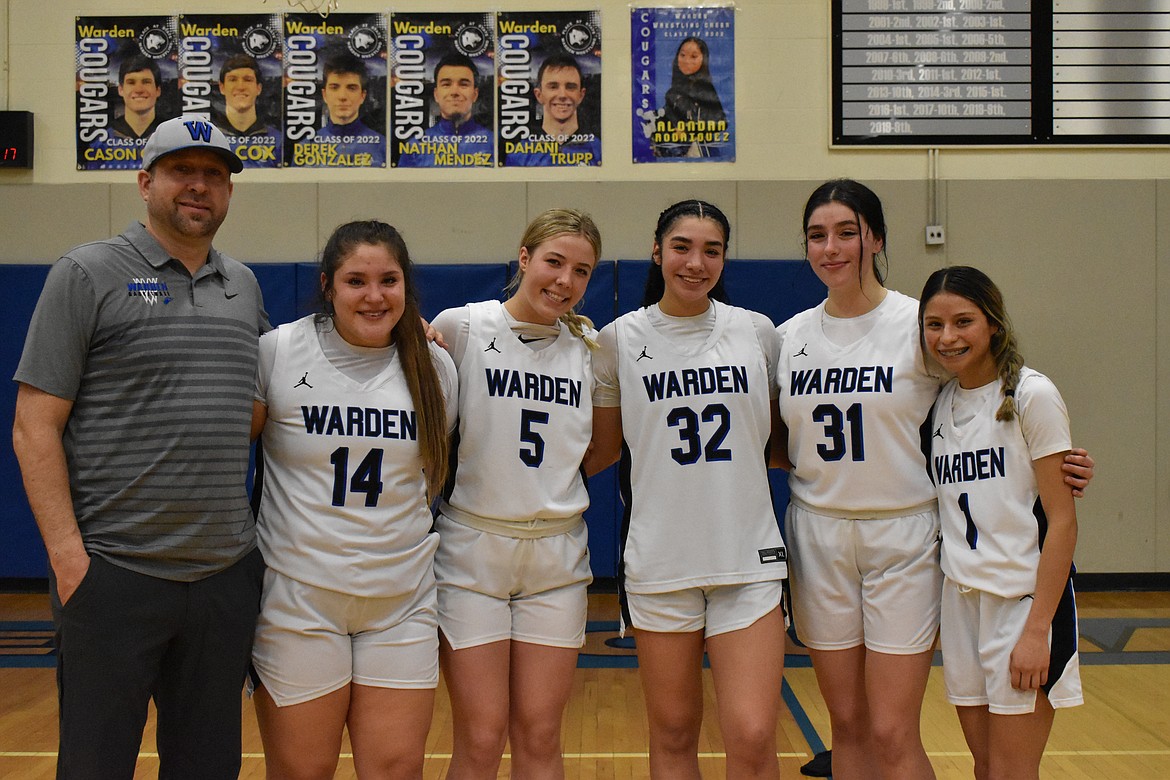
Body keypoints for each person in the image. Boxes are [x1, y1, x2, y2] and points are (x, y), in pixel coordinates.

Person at [775, 179, 1094, 780]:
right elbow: (773, 440)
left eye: (847, 232)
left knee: (893, 730)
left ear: (875, 238)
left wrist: (1061, 461)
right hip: (818, 532)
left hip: (906, 534)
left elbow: (993, 398)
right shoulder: (787, 338)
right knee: (845, 725)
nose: (831, 247)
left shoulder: (915, 326)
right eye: (817, 236)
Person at [12, 115, 264, 779]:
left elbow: (267, 402)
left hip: (222, 579)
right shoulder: (86, 273)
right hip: (114, 577)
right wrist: (71, 562)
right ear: (146, 181)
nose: (200, 186)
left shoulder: (243, 286)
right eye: (184, 171)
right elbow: (33, 424)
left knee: (207, 768)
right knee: (95, 767)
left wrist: (408, 333)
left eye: (215, 175)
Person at [587, 200, 788, 779]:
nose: (696, 263)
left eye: (712, 250)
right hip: (659, 562)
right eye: (682, 247)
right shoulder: (618, 340)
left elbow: (780, 444)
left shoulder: (757, 332)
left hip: (746, 560)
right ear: (658, 251)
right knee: (673, 733)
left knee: (751, 734)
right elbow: (601, 452)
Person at [249, 220, 457, 778]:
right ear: (327, 285)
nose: (373, 295)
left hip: (401, 601)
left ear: (407, 287)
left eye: (388, 280)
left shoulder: (436, 368)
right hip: (300, 599)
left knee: (395, 769)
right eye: (355, 280)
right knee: (302, 771)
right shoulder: (279, 353)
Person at [430, 208, 601, 778]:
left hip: (556, 556)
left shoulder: (589, 349)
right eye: (554, 262)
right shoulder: (462, 328)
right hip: (473, 549)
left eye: (581, 271)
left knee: (541, 735)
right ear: (524, 258)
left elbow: (597, 450)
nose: (564, 281)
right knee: (480, 738)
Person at [920, 266, 1082, 780]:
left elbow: (1063, 523)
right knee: (985, 766)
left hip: (1023, 606)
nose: (947, 337)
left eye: (963, 321)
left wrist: (1037, 632)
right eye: (934, 324)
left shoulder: (1032, 395)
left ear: (993, 323)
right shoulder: (940, 403)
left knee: (1013, 770)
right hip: (962, 604)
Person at [397, 52, 493, 168]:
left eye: (463, 84)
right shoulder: (415, 147)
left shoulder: (493, 144)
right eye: (446, 84)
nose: (454, 92)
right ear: (436, 95)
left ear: (475, 94)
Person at [504, 54, 601, 167]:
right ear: (539, 95)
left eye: (570, 87)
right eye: (553, 87)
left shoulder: (599, 151)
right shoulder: (520, 155)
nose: (562, 95)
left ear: (581, 95)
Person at [655, 38, 728, 159]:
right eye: (682, 55)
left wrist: (688, 131)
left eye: (694, 57)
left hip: (700, 152)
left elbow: (721, 123)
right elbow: (669, 117)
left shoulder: (706, 90)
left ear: (703, 59)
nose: (686, 61)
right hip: (676, 152)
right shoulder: (672, 92)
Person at [318, 52, 386, 167]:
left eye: (351, 88)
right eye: (334, 88)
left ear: (362, 96)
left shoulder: (382, 146)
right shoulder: (307, 147)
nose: (342, 96)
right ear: (324, 95)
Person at [212, 54, 276, 137]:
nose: (240, 87)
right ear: (222, 87)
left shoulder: (277, 139)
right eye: (233, 80)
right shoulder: (210, 136)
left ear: (258, 88)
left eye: (248, 80)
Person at [111, 55, 164, 140]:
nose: (139, 90)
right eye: (131, 83)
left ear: (158, 90)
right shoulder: (104, 135)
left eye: (146, 82)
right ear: (120, 89)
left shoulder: (170, 133)